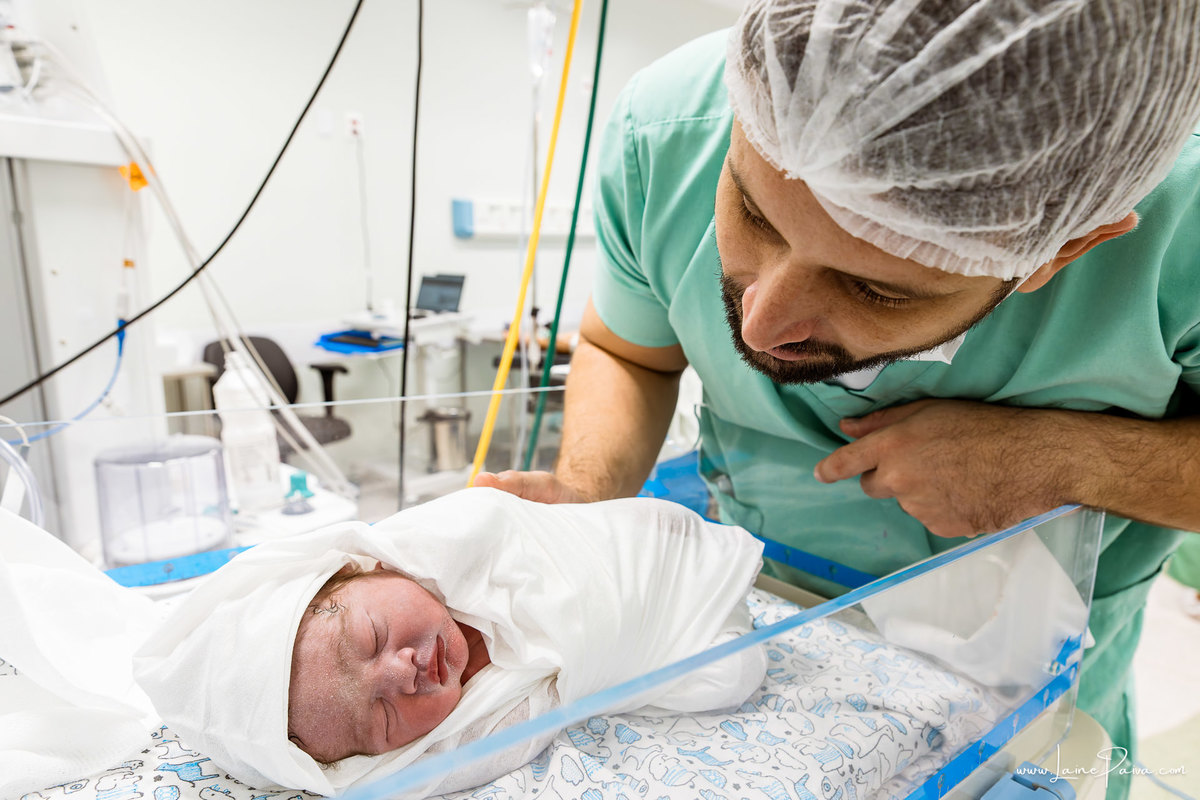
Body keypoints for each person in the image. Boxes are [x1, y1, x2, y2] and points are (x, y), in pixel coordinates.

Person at [473, 3, 1200, 799]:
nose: (761, 324)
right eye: (752, 213)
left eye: (874, 290)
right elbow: (629, 353)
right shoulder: (672, 127)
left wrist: (1075, 460)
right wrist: (587, 490)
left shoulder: (1184, 229)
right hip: (751, 630)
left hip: (1030, 693)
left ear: (1066, 249)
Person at [132, 488, 767, 797]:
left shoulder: (446, 541)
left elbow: (523, 532)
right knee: (729, 674)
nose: (403, 673)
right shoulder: (465, 730)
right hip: (686, 640)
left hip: (660, 556)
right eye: (384, 719)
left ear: (363, 567)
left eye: (373, 637)